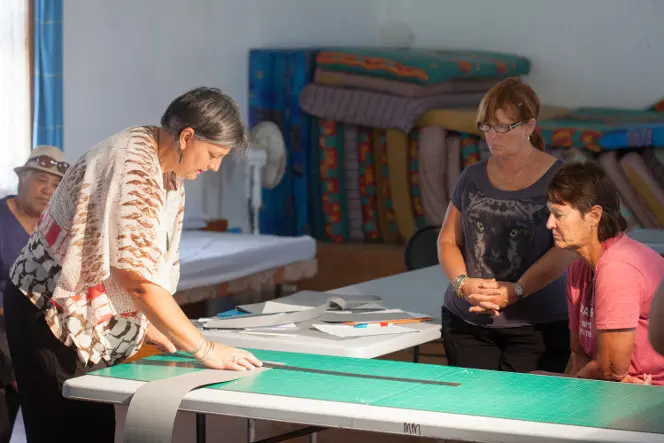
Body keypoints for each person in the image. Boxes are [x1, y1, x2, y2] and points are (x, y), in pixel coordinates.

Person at [3, 87, 263, 442]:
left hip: (78, 305)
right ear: (187, 137)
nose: (214, 166)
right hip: (46, 305)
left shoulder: (167, 166)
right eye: (214, 154)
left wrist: (153, 325)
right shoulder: (132, 168)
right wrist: (205, 348)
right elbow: (137, 280)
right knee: (65, 429)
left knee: (92, 424)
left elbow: (141, 257)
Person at [437, 77, 575, 373]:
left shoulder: (560, 178)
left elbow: (566, 249)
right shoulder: (471, 177)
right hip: (467, 322)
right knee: (471, 414)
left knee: (525, 416)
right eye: (486, 126)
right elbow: (447, 240)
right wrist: (462, 284)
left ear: (529, 126)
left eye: (502, 126)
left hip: (538, 326)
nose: (492, 136)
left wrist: (518, 290)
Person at [546, 161, 664, 385]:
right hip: (614, 387)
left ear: (594, 215)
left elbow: (611, 369)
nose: (549, 224)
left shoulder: (618, 267)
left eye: (558, 214)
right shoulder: (578, 267)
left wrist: (572, 386)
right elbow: (579, 353)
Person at [0, 146, 65, 442]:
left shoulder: (55, 228)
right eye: (41, 179)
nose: (47, 190)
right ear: (21, 178)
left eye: (55, 186)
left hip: (40, 333)